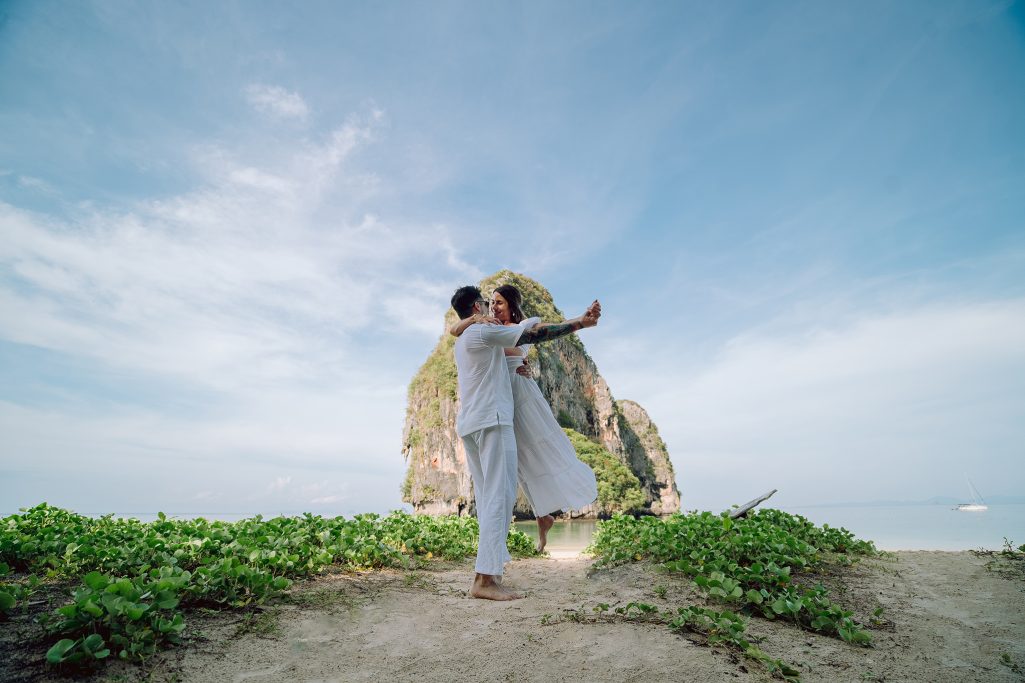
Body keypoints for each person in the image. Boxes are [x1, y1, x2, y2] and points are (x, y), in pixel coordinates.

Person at [449, 285, 600, 601]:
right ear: (476, 307)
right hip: (492, 420)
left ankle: (488, 575)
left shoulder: (466, 339)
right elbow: (532, 335)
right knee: (500, 499)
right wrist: (579, 323)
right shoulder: (482, 332)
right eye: (486, 304)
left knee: (492, 497)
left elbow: (510, 346)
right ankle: (484, 581)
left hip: (472, 423)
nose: (492, 309)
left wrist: (522, 369)